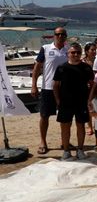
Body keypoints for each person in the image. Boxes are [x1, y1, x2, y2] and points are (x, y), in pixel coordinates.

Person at [31, 26, 69, 155]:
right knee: (44, 116)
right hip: (47, 88)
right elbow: (36, 68)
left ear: (65, 36)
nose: (60, 36)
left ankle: (65, 141)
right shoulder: (46, 49)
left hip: (65, 89)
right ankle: (43, 142)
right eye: (58, 34)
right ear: (54, 35)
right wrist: (34, 85)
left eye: (63, 34)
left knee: (65, 117)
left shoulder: (68, 50)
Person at [53, 43, 94, 161]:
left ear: (81, 54)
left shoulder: (86, 68)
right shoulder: (61, 68)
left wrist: (89, 98)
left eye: (78, 53)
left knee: (80, 125)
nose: (75, 55)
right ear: (68, 54)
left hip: (81, 101)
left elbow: (92, 84)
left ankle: (80, 150)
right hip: (65, 102)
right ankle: (66, 151)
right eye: (73, 52)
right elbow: (55, 85)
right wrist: (58, 100)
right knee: (65, 127)